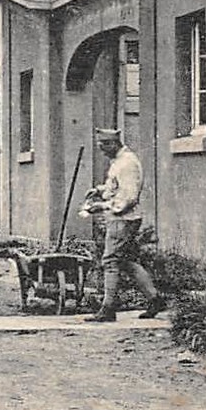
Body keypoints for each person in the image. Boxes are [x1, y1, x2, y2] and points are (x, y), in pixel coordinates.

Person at [82, 127, 165, 321]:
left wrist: (100, 206)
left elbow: (128, 198)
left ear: (113, 144)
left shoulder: (127, 163)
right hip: (122, 219)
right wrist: (99, 190)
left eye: (103, 145)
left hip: (123, 219)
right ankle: (155, 299)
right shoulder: (120, 161)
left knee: (110, 261)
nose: (101, 150)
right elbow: (116, 188)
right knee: (127, 261)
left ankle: (108, 309)